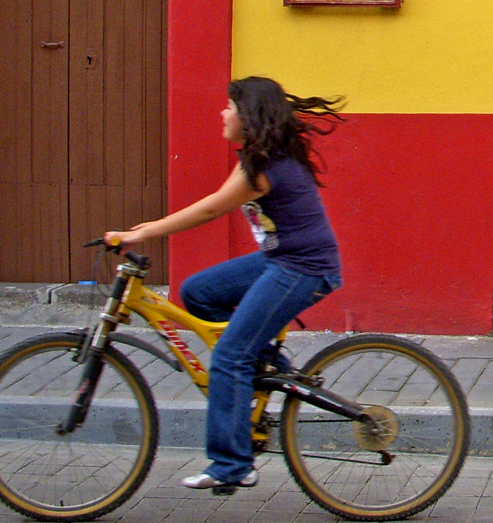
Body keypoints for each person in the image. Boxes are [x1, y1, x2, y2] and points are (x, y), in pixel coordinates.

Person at [107, 77, 344, 492]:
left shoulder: (262, 168)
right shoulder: (260, 156)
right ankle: (266, 365)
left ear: (248, 116)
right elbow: (215, 201)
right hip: (281, 260)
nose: (222, 112)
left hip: (303, 269)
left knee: (230, 356)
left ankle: (233, 465)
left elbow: (210, 209)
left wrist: (144, 233)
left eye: (229, 106)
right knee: (198, 292)